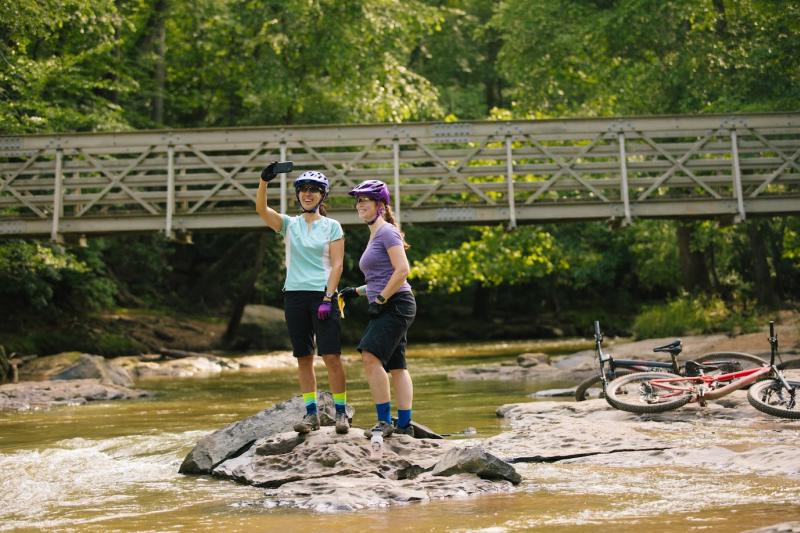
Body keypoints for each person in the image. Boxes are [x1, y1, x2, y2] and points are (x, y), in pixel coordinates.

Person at [256, 162, 349, 434]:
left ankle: (341, 413)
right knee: (304, 357)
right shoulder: (289, 224)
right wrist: (265, 180)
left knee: (331, 356)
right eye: (304, 190)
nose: (308, 194)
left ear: (323, 196)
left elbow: (338, 265)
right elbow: (261, 210)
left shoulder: (332, 226)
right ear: (298, 194)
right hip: (294, 296)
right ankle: (311, 415)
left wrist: (328, 297)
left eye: (314, 190)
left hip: (323, 296)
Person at [339, 180, 416, 438]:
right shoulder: (376, 233)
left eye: (365, 200)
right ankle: (405, 425)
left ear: (380, 205)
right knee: (397, 366)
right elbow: (380, 275)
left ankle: (385, 422)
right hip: (392, 302)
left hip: (395, 304)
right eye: (358, 200)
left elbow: (402, 270)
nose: (359, 205)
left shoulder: (386, 232)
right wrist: (357, 292)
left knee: (370, 356)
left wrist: (381, 299)